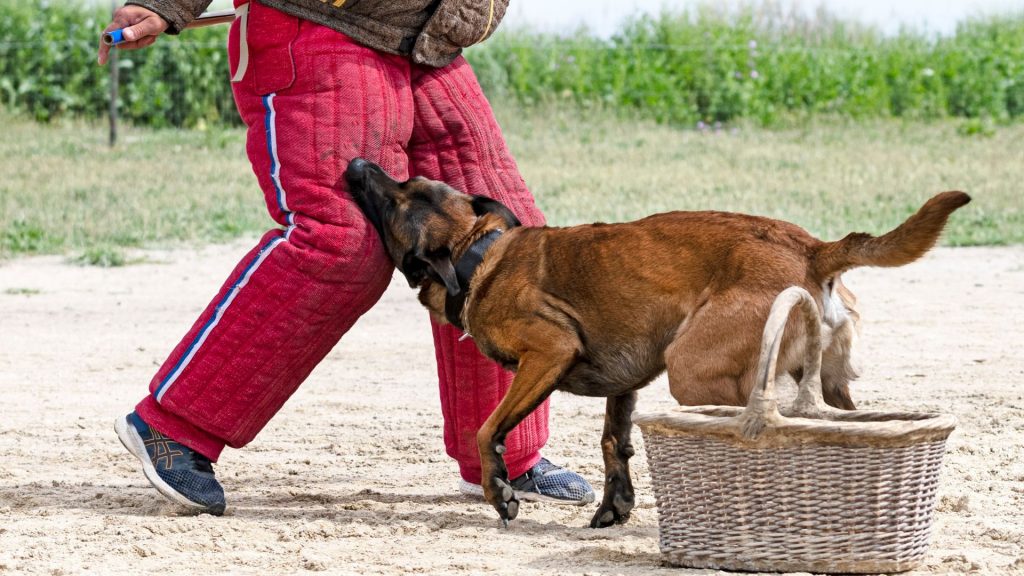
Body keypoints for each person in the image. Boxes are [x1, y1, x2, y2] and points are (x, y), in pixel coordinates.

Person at [97, 0, 594, 516]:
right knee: (342, 243)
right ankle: (174, 426)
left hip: (428, 42)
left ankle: (503, 453)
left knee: (502, 245)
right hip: (317, 27)